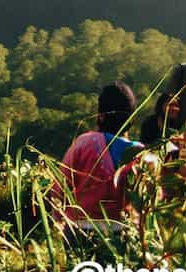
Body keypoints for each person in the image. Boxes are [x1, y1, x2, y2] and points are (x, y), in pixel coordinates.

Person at [53, 82, 144, 234]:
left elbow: (60, 187)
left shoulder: (84, 143)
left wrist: (57, 221)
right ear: (132, 119)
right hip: (124, 232)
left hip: (80, 230)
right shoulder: (141, 154)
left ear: (100, 115)